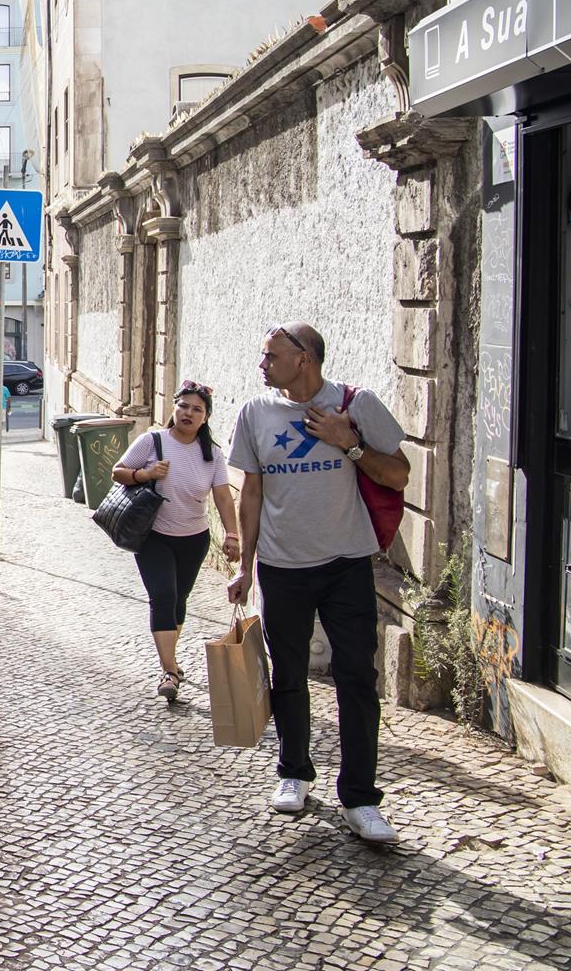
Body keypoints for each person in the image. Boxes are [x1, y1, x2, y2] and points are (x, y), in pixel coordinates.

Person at [227, 322, 409, 844]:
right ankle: (293, 771)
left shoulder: (357, 403)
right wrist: (245, 565)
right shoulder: (255, 413)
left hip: (347, 564)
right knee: (288, 675)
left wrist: (348, 443)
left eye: (271, 356)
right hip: (283, 569)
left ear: (304, 357)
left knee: (357, 679)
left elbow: (398, 475)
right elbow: (252, 494)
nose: (261, 365)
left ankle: (360, 798)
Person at [112, 381, 241, 702]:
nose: (188, 413)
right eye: (183, 405)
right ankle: (169, 670)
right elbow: (118, 471)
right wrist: (145, 474)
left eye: (197, 409)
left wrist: (232, 534)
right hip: (153, 535)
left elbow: (224, 498)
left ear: (206, 417)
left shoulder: (212, 455)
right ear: (174, 408)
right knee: (163, 595)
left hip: (194, 539)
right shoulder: (152, 442)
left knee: (179, 598)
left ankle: (171, 661)